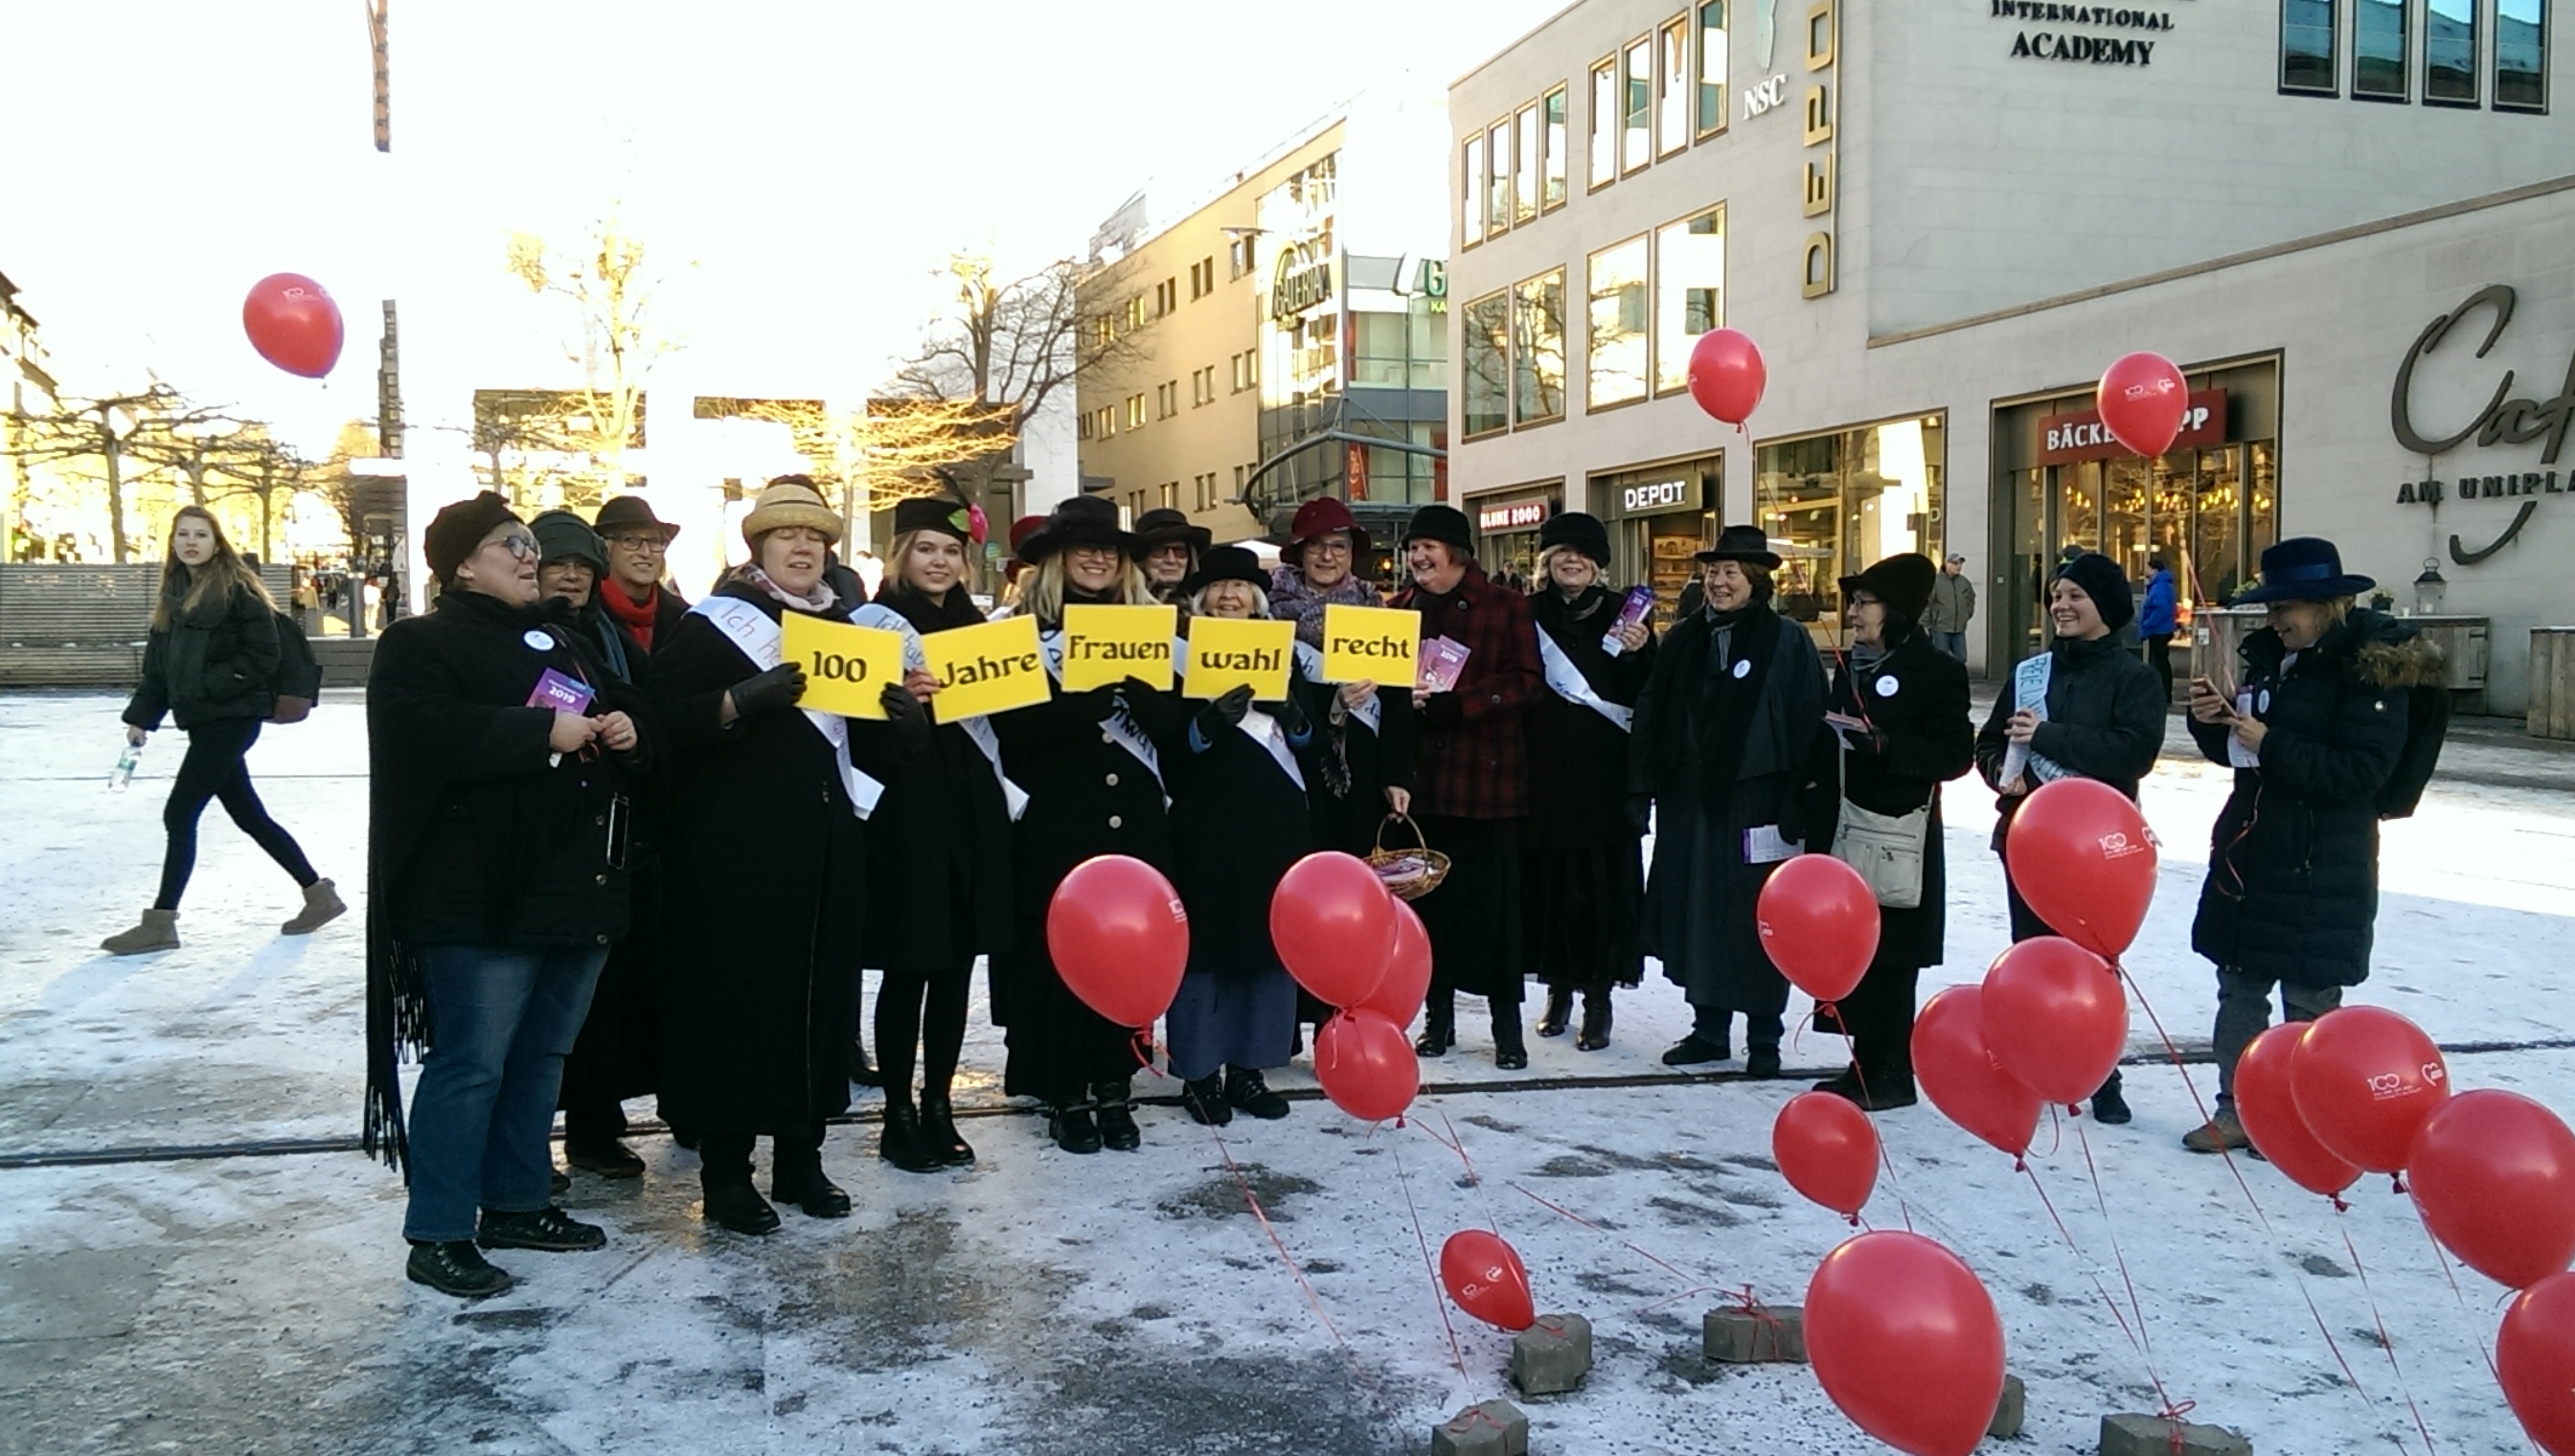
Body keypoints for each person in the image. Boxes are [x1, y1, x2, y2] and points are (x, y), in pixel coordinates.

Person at [362, 492, 649, 1298]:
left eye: (529, 543)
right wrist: (536, 735)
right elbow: (419, 732)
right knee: (473, 1063)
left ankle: (518, 1200)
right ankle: (441, 1229)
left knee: (540, 1057)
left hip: (571, 889)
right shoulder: (418, 641)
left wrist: (625, 730)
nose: (530, 555)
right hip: (478, 899)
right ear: (460, 563)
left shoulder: (561, 638)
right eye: (508, 544)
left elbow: (606, 719)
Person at [650, 478, 926, 1234]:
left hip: (828, 841)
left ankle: (801, 1156)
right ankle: (728, 1170)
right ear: (759, 548)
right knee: (741, 1007)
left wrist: (905, 723)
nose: (805, 549)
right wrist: (740, 702)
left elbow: (864, 747)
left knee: (820, 1000)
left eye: (817, 540)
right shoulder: (713, 626)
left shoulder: (847, 627)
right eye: (788, 538)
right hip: (735, 849)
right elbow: (661, 724)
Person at [2178, 539, 2441, 1153]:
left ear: (2331, 604)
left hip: (2324, 864)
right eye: (2270, 607)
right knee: (2238, 990)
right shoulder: (2273, 657)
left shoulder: (2374, 670)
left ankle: (2307, 1121)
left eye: (2286, 607)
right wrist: (2213, 723)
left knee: (2311, 1004)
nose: (2274, 620)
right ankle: (2238, 1109)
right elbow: (2244, 757)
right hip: (2252, 855)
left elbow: (2360, 774)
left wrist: (2269, 742)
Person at [997, 495, 1185, 1152]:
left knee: (1125, 954)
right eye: (1085, 548)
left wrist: (1140, 693)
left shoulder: (1152, 627)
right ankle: (1064, 1090)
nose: (1100, 558)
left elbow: (1171, 731)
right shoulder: (1019, 631)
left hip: (1132, 817)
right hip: (1057, 816)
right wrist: (1085, 701)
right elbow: (1013, 735)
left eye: (1109, 548)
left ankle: (1114, 1082)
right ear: (1055, 560)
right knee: (1059, 958)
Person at [1630, 526, 1834, 1078]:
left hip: (1760, 803)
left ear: (1756, 581)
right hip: (1691, 803)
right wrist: (1643, 788)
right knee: (1698, 913)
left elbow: (1809, 718)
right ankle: (1708, 1028)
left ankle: (1764, 1036)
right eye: (1713, 572)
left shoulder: (1786, 640)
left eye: (1730, 573)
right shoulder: (1684, 637)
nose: (1718, 583)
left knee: (1756, 920)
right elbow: (1652, 713)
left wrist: (1800, 797)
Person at [1973, 551, 2165, 1125]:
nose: (2061, 605)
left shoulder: (2136, 678)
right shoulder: (2030, 673)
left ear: (2104, 606)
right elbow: (1988, 743)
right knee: (2033, 959)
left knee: (2094, 965)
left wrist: (2049, 736)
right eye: (2057, 596)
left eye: (2075, 596)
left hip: (2098, 854)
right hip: (2028, 843)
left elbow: (2134, 752)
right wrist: (1997, 773)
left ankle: (2101, 1072)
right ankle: (2035, 1063)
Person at [104, 506, 340, 955]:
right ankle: (319, 894)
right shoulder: (174, 594)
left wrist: (205, 687)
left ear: (217, 544)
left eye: (201, 535)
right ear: (173, 542)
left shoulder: (236, 593)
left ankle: (160, 923)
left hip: (231, 719)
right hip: (205, 720)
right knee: (249, 815)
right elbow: (159, 670)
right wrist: (141, 717)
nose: (191, 542)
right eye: (183, 535)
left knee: (179, 814)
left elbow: (262, 657)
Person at [865, 497, 1014, 1172]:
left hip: (971, 814)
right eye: (926, 549)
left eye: (951, 551)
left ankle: (940, 1105)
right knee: (909, 967)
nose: (939, 562)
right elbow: (854, 740)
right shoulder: (869, 627)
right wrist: (901, 711)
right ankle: (898, 1112)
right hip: (906, 818)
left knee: (956, 973)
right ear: (901, 555)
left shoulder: (979, 626)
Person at [527, 510, 661, 1180]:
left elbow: (648, 707)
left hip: (608, 846)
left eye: (583, 566)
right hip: (534, 849)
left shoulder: (607, 640)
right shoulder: (510, 637)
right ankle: (526, 1138)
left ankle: (595, 1127)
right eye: (559, 565)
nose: (573, 576)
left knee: (601, 1003)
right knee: (534, 1009)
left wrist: (632, 728)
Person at [1812, 555, 1973, 1109]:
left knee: (1892, 957)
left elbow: (1956, 753)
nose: (1853, 613)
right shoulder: (1850, 665)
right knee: (1850, 949)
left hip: (1898, 831)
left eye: (1864, 603)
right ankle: (1862, 1063)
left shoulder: (1938, 670)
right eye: (1853, 603)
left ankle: (1891, 1072)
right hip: (1843, 822)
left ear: (1896, 610)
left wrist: (1886, 746)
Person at [1165, 546, 1312, 1124]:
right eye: (1218, 588)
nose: (1230, 597)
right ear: (1201, 599)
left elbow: (1313, 742)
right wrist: (1205, 725)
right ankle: (1199, 1074)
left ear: (1256, 601)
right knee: (1205, 950)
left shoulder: (1285, 655)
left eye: (1240, 589)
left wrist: (1295, 716)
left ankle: (1250, 1070)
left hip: (1274, 818)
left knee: (1263, 946)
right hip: (1202, 820)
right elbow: (1166, 746)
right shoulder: (1176, 656)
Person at [1392, 505, 1541, 1070]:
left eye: (1428, 546)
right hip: (1423, 787)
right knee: (1433, 912)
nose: (1418, 558)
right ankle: (1440, 1019)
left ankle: (1508, 1030)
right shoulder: (1400, 609)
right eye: (1412, 548)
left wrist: (1464, 706)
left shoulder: (1505, 605)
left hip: (1487, 783)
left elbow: (1529, 683)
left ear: (1458, 552)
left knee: (1497, 914)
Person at [1522, 513, 1654, 1053]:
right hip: (1544, 773)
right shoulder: (1527, 614)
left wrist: (1643, 649)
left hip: (1606, 776)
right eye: (1560, 553)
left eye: (1581, 553)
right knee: (1552, 889)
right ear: (1546, 562)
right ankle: (1557, 991)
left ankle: (1599, 1000)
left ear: (1598, 563)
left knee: (1601, 892)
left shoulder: (1627, 614)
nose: (1570, 561)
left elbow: (1648, 695)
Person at [1273, 497, 1413, 854]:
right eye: (1316, 546)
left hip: (1365, 773)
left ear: (1352, 555)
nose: (1326, 556)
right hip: (1297, 768)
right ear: (1299, 553)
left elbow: (1397, 702)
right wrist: (1334, 706)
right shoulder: (1269, 615)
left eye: (1338, 547)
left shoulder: (1374, 608)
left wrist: (1396, 777)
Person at [591, 495, 691, 654]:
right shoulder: (587, 615)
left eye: (654, 541)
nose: (645, 552)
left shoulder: (683, 617)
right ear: (605, 548)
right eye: (630, 540)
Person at [1134, 507, 1212, 609]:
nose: (1171, 560)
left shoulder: (1208, 607)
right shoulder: (1121, 605)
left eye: (1179, 551)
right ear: (1142, 559)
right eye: (1160, 551)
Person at [2139, 556, 2179, 703]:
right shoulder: (2164, 584)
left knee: (2158, 663)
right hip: (2162, 629)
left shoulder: (2159, 586)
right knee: (2160, 662)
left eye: (2147, 567)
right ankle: (2162, 693)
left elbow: (2161, 607)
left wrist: (2148, 624)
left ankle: (2161, 694)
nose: (2145, 570)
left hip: (2158, 630)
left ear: (2154, 569)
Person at [1926, 554, 1976, 664]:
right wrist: (1925, 624)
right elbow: (1928, 603)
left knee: (1961, 658)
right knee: (1940, 658)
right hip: (1941, 627)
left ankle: (1956, 679)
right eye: (1955, 563)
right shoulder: (1937, 582)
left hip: (1959, 628)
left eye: (1960, 564)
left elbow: (1971, 598)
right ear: (1946, 564)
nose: (1958, 566)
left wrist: (1966, 614)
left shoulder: (1964, 582)